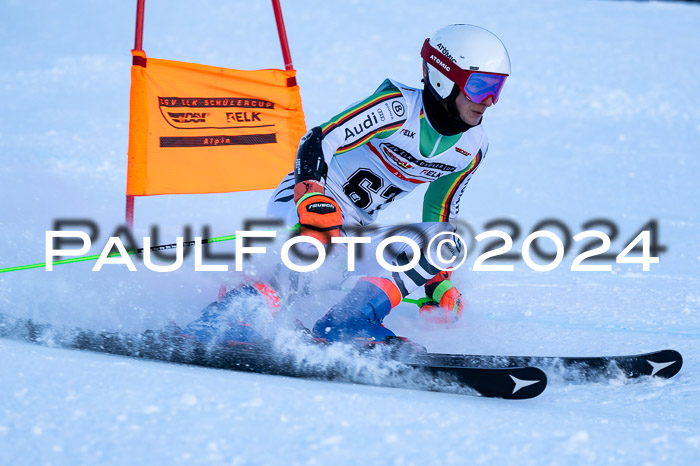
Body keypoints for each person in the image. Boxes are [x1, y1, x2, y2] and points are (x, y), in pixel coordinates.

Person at [183, 24, 511, 347]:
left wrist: (437, 282)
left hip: (352, 232)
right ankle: (231, 315)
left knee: (444, 243)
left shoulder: (472, 147)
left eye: (497, 88)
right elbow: (319, 139)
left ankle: (349, 322)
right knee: (312, 257)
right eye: (480, 86)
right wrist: (312, 200)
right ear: (443, 77)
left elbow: (439, 212)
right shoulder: (397, 108)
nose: (490, 100)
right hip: (304, 206)